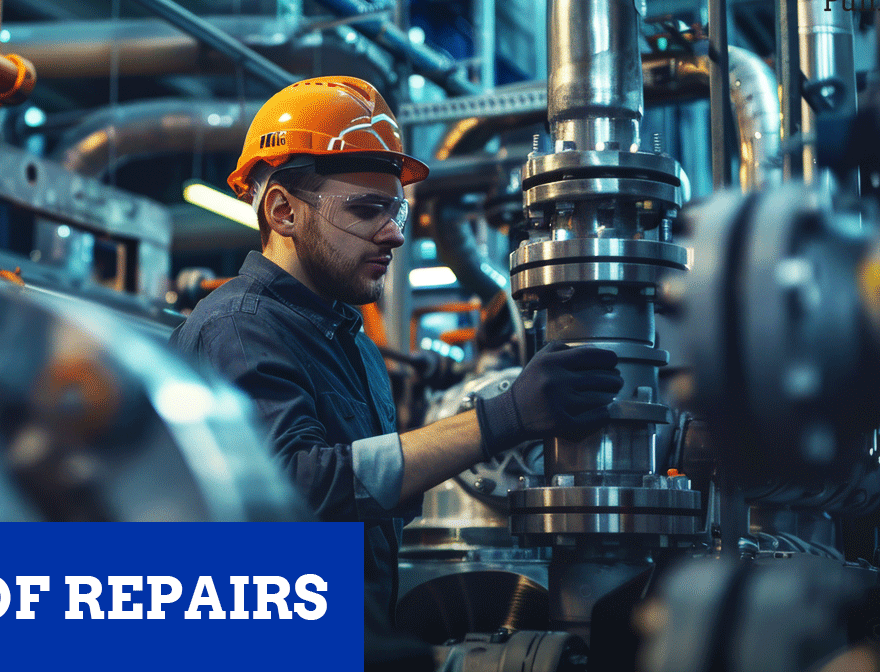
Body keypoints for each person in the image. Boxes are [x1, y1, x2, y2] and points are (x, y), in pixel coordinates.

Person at [168, 76, 622, 665]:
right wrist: (500, 419)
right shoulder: (240, 327)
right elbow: (298, 486)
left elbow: (370, 498)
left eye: (397, 209)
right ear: (282, 210)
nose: (396, 233)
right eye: (366, 209)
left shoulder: (351, 344)